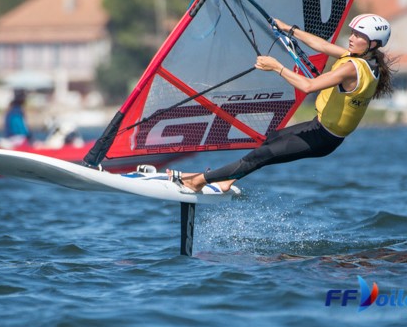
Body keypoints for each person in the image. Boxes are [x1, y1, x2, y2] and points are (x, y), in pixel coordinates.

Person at [168, 13, 395, 193]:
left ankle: (197, 181)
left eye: (359, 36)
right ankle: (226, 180)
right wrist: (289, 29)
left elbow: (308, 86)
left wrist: (277, 67)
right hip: (318, 126)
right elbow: (322, 46)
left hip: (324, 138)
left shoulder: (351, 68)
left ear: (373, 43)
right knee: (272, 139)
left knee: (261, 156)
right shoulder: (363, 60)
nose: (352, 38)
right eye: (353, 32)